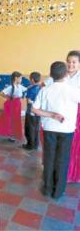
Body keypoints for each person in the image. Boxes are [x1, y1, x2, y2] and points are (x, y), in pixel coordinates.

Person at [32, 61, 80, 199]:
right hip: (67, 130)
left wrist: (52, 115)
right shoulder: (73, 90)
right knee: (62, 160)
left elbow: (35, 109)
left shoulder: (45, 90)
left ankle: (47, 188)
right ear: (66, 74)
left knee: (49, 158)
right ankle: (58, 191)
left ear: (51, 74)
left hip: (49, 129)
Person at [0, 71, 26, 142]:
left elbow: (27, 88)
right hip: (13, 105)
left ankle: (14, 134)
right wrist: (8, 97)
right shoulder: (10, 87)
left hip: (17, 104)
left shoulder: (20, 86)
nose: (21, 80)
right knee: (12, 119)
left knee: (16, 119)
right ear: (16, 78)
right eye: (20, 78)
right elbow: (1, 93)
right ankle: (11, 134)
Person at [66, 50, 80, 183]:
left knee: (76, 144)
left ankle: (74, 173)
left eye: (74, 62)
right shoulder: (61, 75)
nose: (71, 65)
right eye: (69, 62)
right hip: (62, 113)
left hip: (77, 114)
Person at [22, 72, 42, 150]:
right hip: (38, 112)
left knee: (29, 128)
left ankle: (30, 145)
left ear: (32, 80)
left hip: (31, 111)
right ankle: (36, 144)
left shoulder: (31, 89)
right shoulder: (41, 88)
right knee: (36, 128)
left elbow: (29, 101)